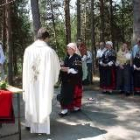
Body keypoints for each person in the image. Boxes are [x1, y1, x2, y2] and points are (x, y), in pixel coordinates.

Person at [23, 28, 60, 134]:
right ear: (46, 38)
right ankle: (42, 128)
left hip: (31, 83)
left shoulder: (28, 50)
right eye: (48, 38)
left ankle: (29, 124)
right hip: (44, 84)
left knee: (32, 101)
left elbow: (25, 69)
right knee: (42, 102)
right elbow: (56, 67)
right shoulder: (49, 51)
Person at [58, 43, 83, 117]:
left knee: (70, 95)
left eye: (70, 49)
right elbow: (65, 65)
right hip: (66, 80)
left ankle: (73, 108)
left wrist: (67, 69)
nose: (68, 50)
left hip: (73, 80)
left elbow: (77, 70)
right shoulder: (67, 57)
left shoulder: (78, 58)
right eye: (67, 49)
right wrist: (62, 65)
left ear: (74, 49)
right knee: (64, 95)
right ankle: (65, 109)